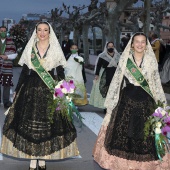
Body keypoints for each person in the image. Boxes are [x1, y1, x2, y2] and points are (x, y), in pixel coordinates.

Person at [0, 22, 79, 170]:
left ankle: (42, 158)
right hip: (30, 89)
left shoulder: (55, 49)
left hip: (49, 90)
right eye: (39, 30)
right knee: (30, 124)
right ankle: (32, 159)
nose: (42, 33)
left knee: (46, 124)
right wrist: (17, 89)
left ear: (50, 32)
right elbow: (24, 71)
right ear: (35, 32)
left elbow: (60, 72)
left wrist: (63, 90)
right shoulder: (30, 48)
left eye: (45, 30)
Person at [93, 32, 170, 170]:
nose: (140, 44)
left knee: (145, 132)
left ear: (146, 45)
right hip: (127, 99)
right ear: (132, 44)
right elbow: (117, 80)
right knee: (125, 131)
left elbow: (156, 83)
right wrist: (111, 103)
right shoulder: (125, 59)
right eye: (137, 41)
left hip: (147, 100)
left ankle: (142, 164)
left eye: (143, 42)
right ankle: (124, 163)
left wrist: (161, 105)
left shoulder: (151, 60)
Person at [89, 42, 120, 111]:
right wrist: (97, 74)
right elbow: (99, 65)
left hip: (114, 74)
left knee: (114, 90)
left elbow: (120, 66)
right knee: (105, 89)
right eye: (109, 46)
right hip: (105, 75)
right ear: (106, 47)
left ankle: (112, 106)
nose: (110, 48)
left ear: (114, 47)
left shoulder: (118, 56)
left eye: (112, 46)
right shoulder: (102, 55)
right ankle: (105, 106)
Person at [0, 26, 18, 108]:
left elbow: (15, 54)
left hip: (7, 66)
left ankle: (6, 102)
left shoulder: (11, 42)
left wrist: (7, 57)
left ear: (6, 32)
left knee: (6, 84)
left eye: (4, 31)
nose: (3, 32)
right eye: (1, 31)